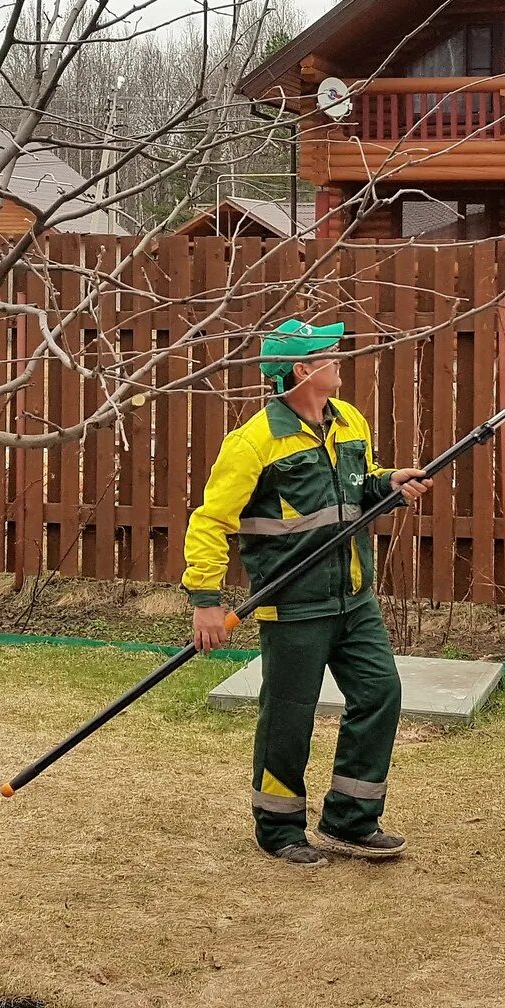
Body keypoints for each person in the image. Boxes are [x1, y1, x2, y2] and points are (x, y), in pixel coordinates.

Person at [183, 318, 432, 867]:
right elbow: (210, 520)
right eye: (328, 352)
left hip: (355, 597)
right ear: (303, 369)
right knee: (288, 716)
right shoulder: (253, 441)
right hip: (293, 602)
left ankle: (351, 820)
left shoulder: (349, 422)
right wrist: (205, 599)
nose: (339, 357)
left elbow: (357, 487)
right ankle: (279, 829)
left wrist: (387, 484)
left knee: (379, 693)